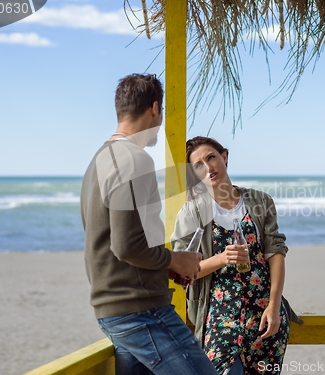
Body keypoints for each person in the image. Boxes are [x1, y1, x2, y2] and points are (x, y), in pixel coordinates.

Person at [80, 74, 219, 375]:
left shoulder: (98, 161)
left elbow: (110, 241)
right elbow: (126, 245)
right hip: (141, 312)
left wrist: (167, 267)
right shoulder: (134, 159)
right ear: (155, 108)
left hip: (114, 311)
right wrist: (175, 258)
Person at [171, 136, 303, 375]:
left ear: (224, 157)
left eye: (211, 157)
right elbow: (181, 270)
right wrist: (222, 258)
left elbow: (275, 254)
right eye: (198, 165)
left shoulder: (260, 201)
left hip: (265, 314)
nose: (208, 167)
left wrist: (274, 306)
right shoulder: (192, 211)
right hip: (220, 316)